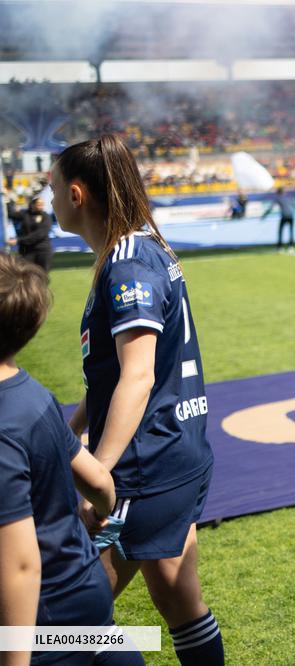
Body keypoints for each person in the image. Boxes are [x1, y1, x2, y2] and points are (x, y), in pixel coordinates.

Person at [49, 135, 224, 665]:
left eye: (51, 188)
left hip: (143, 465)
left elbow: (137, 377)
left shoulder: (127, 263)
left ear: (77, 194)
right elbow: (110, 377)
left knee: (63, 619)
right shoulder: (140, 247)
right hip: (178, 450)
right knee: (176, 594)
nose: (47, 199)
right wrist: (73, 426)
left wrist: (99, 471)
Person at [0, 254, 144, 666]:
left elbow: (22, 567)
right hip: (87, 593)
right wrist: (98, 512)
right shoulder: (36, 396)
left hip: (43, 621)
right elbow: (99, 481)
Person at [6, 197, 54, 273]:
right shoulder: (25, 214)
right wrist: (8, 201)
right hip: (27, 250)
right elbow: (11, 214)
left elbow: (39, 234)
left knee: (42, 274)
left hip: (42, 250)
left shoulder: (46, 217)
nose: (41, 206)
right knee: (25, 273)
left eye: (42, 204)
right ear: (32, 205)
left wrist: (19, 240)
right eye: (39, 204)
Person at [261, 186, 295, 250]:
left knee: (280, 231)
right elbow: (294, 205)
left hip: (284, 216)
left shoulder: (278, 198)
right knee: (291, 231)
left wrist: (264, 215)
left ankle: (280, 247)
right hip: (291, 216)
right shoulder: (288, 197)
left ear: (278, 192)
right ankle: (291, 246)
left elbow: (271, 208)